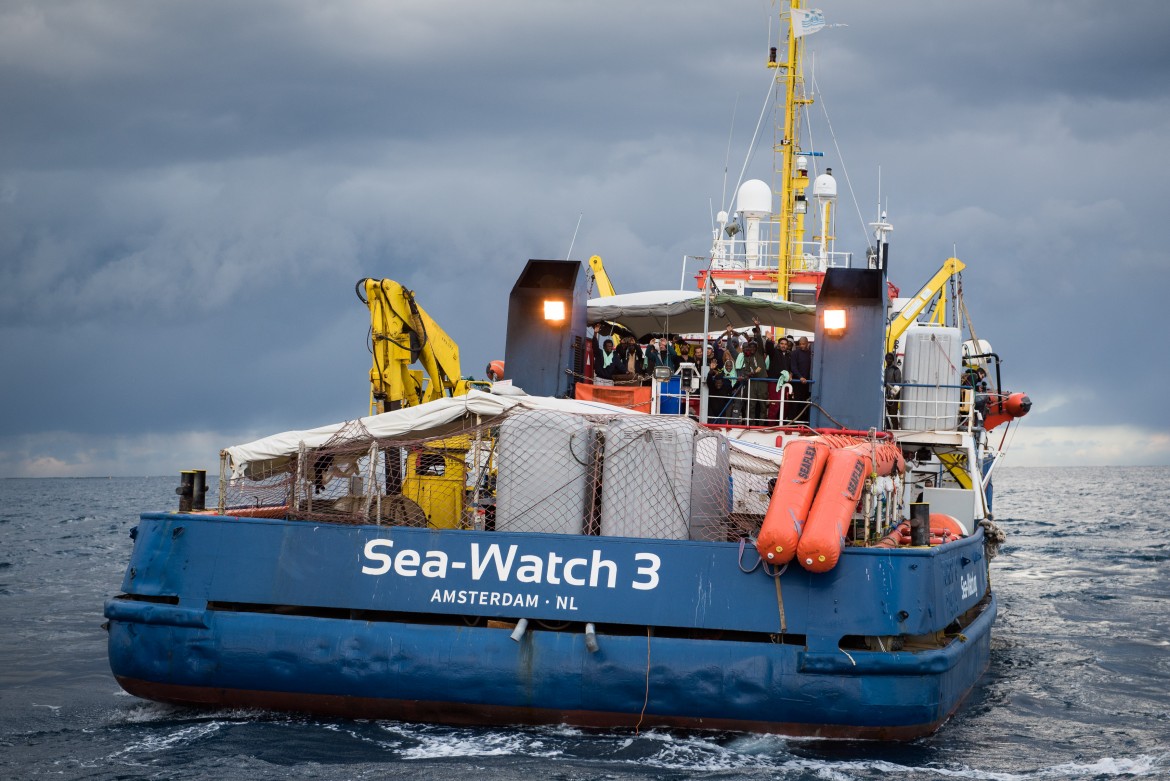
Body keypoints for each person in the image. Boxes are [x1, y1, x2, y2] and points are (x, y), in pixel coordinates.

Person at [739, 340, 768, 424]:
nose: (752, 348)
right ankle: (751, 424)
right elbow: (746, 371)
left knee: (763, 404)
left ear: (756, 348)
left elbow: (760, 341)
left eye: (753, 347)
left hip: (762, 382)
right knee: (751, 404)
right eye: (750, 347)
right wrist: (752, 373)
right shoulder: (746, 357)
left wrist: (758, 331)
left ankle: (761, 424)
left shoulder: (760, 354)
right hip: (752, 382)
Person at [767, 337, 793, 422]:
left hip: (785, 384)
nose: (784, 346)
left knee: (785, 405)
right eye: (782, 344)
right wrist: (769, 340)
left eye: (785, 344)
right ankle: (771, 426)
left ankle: (781, 425)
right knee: (775, 404)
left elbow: (791, 368)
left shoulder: (789, 355)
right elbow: (769, 349)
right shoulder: (774, 353)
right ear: (778, 345)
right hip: (774, 382)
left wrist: (791, 374)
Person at [791, 336, 813, 423]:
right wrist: (800, 377)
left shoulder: (811, 353)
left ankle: (803, 423)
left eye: (803, 344)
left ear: (807, 344)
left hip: (808, 384)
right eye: (800, 344)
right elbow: (793, 367)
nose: (801, 346)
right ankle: (793, 423)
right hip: (797, 383)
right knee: (796, 404)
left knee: (805, 404)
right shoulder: (795, 353)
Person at [884, 351, 902, 429]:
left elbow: (898, 384)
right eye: (887, 358)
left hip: (894, 395)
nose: (889, 360)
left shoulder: (896, 370)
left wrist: (892, 394)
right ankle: (889, 428)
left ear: (893, 359)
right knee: (887, 413)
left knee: (893, 413)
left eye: (890, 358)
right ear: (885, 359)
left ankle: (895, 429)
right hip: (886, 394)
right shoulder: (885, 370)